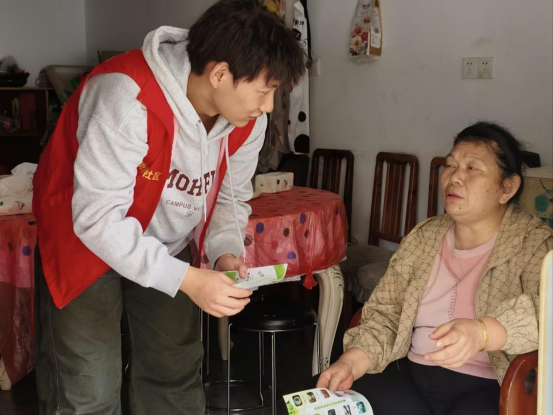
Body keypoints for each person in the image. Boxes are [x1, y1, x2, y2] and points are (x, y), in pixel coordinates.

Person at [32, 1, 305, 413]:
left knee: (173, 377)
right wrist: (188, 280)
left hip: (167, 244)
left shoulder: (248, 122)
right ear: (219, 74)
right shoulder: (125, 95)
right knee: (89, 389)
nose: (267, 106)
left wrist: (224, 252)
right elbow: (97, 218)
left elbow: (230, 198)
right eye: (264, 91)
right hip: (85, 241)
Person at [317, 122, 553, 415]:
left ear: (508, 188)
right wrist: (349, 363)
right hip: (411, 378)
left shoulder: (534, 244)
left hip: (491, 388)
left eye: (472, 168)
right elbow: (386, 313)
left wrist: (484, 332)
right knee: (323, 403)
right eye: (450, 166)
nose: (454, 177)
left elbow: (546, 311)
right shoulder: (424, 237)